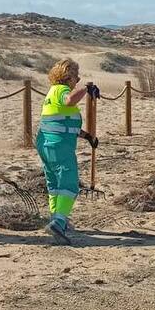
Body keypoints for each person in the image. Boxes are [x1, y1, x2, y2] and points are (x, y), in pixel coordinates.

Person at [35, 58, 98, 239]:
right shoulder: (61, 90)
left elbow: (63, 123)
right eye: (76, 78)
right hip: (59, 145)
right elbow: (70, 100)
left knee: (54, 183)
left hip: (46, 144)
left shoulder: (52, 92)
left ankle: (56, 217)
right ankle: (60, 221)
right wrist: (86, 89)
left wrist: (86, 136)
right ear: (68, 76)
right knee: (69, 183)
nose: (76, 81)